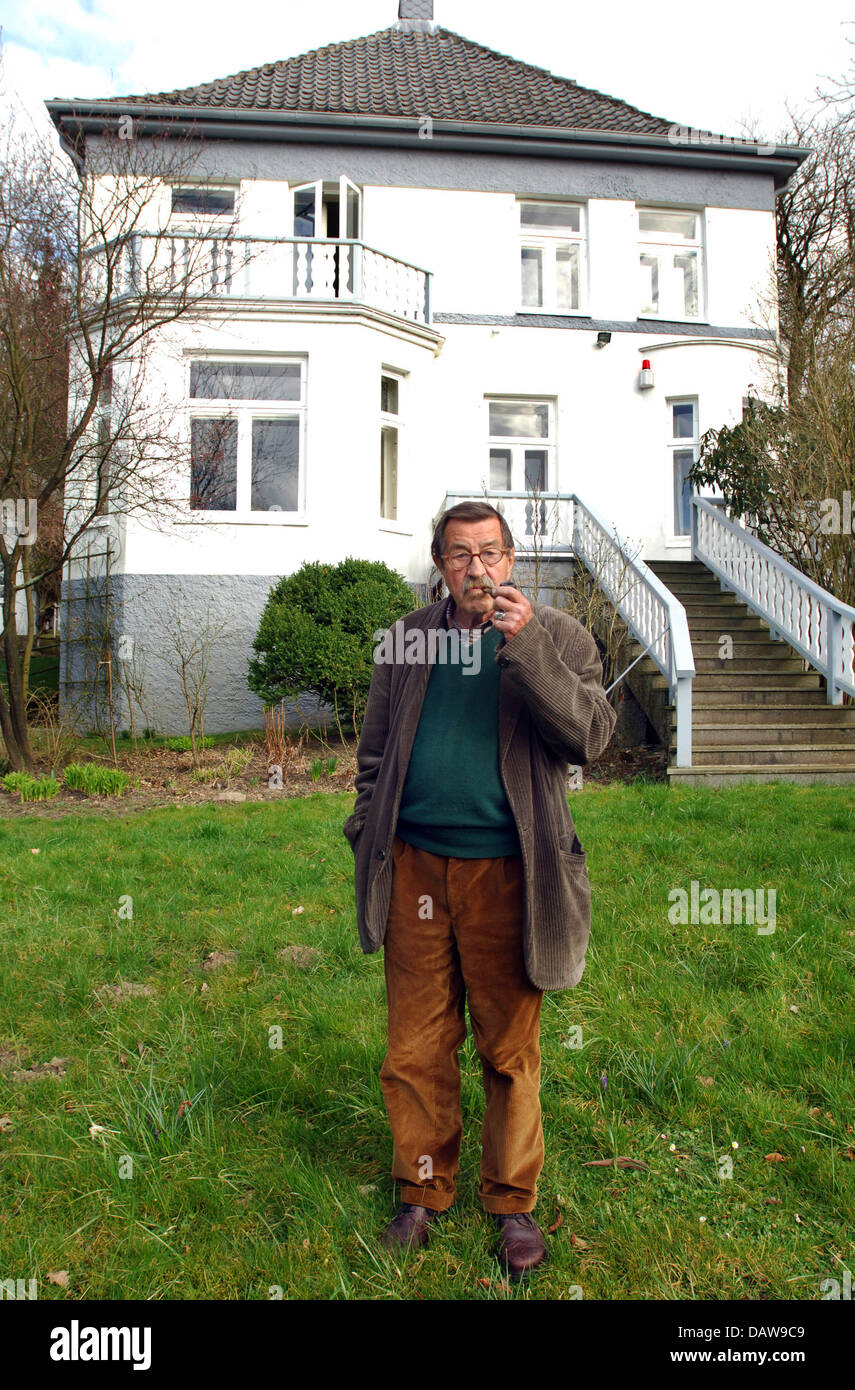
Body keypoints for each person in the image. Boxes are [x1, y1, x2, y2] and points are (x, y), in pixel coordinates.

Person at [343, 501, 617, 1279]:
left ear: (512, 559)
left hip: (508, 869)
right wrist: (368, 826)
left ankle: (512, 1203)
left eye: (490, 553)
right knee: (415, 1046)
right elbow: (373, 751)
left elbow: (589, 739)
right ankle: (422, 1193)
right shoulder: (407, 638)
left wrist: (523, 646)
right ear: (439, 562)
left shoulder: (557, 636)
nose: (476, 569)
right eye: (460, 555)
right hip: (415, 865)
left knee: (507, 1048)